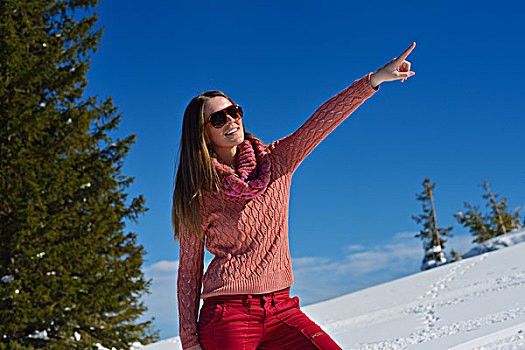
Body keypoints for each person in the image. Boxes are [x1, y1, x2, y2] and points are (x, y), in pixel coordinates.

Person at [172, 42, 417, 350]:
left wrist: (373, 81)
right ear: (202, 133)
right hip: (228, 315)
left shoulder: (278, 160)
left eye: (233, 112)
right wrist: (189, 342)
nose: (231, 121)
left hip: (282, 309)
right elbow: (189, 272)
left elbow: (321, 122)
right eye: (218, 119)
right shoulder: (199, 194)